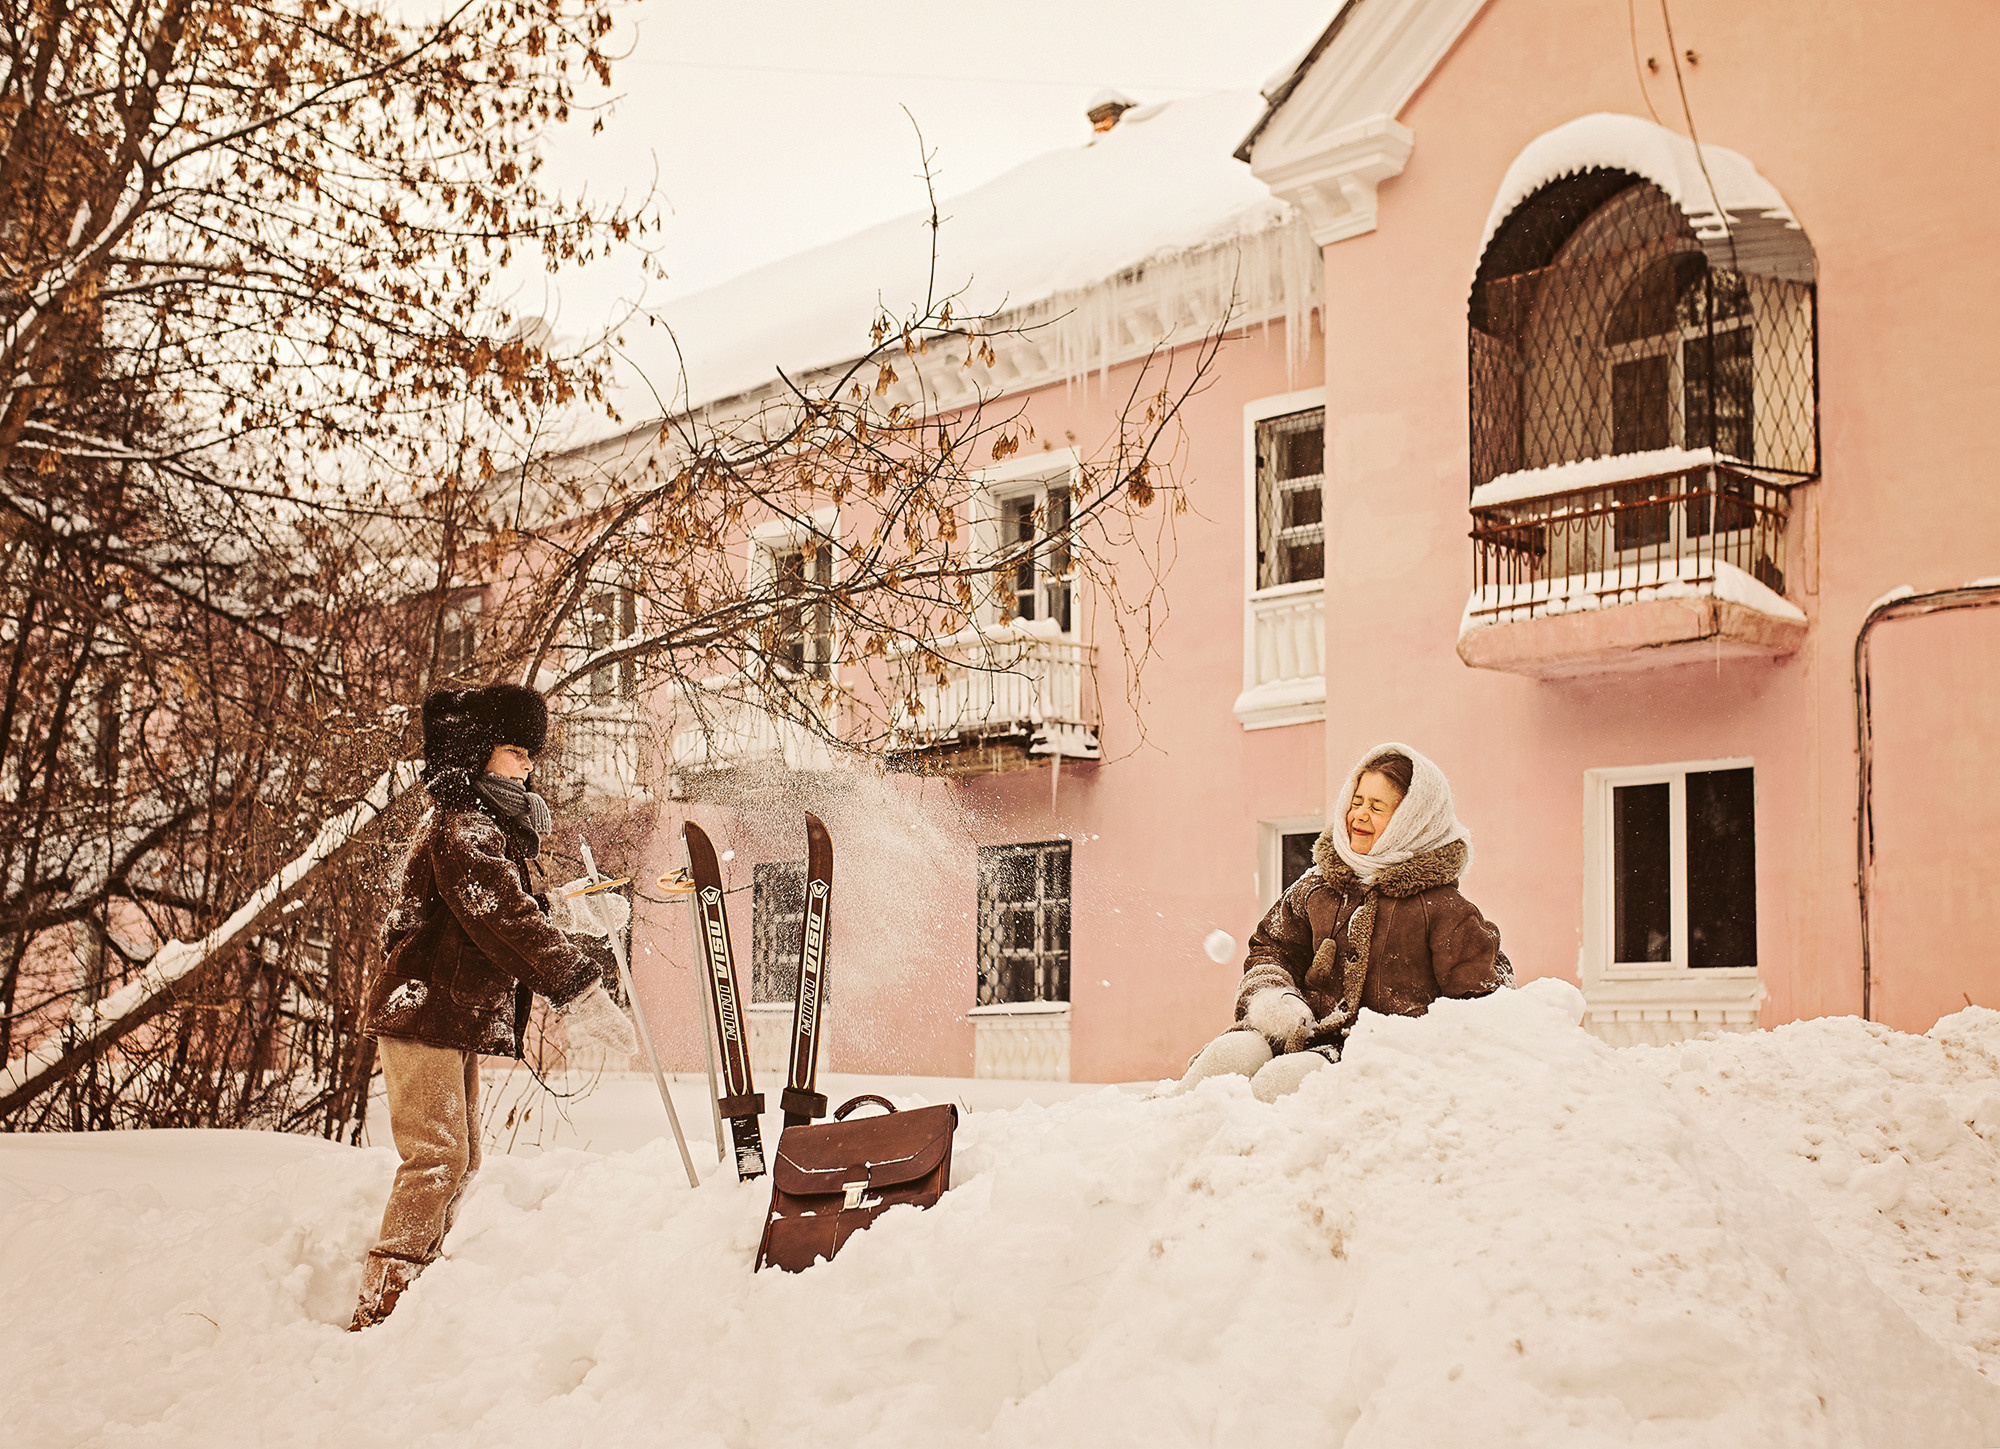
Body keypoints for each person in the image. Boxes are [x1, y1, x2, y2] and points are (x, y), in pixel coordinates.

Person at [349, 683, 638, 1330]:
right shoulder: (462, 826)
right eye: (516, 751)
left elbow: (497, 912)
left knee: (461, 1159)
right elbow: (501, 918)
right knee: (437, 1157)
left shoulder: (483, 825)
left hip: (444, 1016)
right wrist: (580, 990)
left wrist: (568, 911)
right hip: (423, 1013)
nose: (527, 767)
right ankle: (383, 1302)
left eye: (531, 754)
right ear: (478, 750)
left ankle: (416, 1294)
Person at [1173, 742, 1511, 1102]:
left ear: (1413, 820)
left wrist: (1421, 1049)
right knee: (1232, 1054)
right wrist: (1275, 997)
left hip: (1368, 1060)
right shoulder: (1316, 887)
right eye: (1356, 801)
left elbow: (1484, 1000)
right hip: (1298, 1035)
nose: (1359, 815)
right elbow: (1272, 947)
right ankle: (1168, 1124)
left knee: (1281, 1082)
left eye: (1377, 807)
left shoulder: (1443, 909)